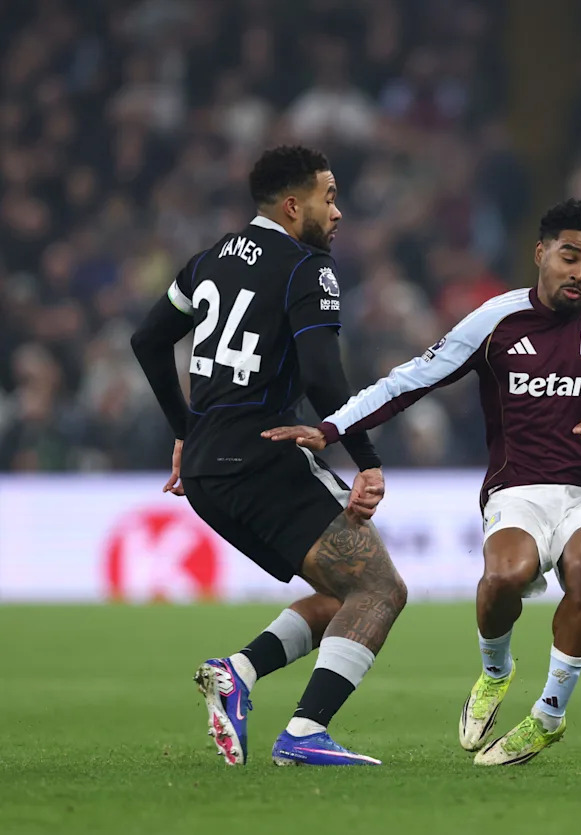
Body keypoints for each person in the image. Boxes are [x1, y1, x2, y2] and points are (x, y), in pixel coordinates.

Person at [265, 198, 581, 766]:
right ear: (541, 253)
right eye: (570, 257)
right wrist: (331, 428)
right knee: (504, 577)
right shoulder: (497, 320)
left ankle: (548, 717)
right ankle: (495, 673)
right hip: (519, 489)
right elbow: (412, 380)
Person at [130, 145, 405, 767]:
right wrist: (365, 457)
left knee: (342, 595)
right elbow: (323, 376)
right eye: (328, 198)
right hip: (262, 457)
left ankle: (238, 673)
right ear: (292, 206)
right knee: (380, 589)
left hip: (206, 473)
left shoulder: (207, 261)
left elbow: (148, 340)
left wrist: (185, 429)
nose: (338, 213)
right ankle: (305, 732)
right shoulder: (307, 268)